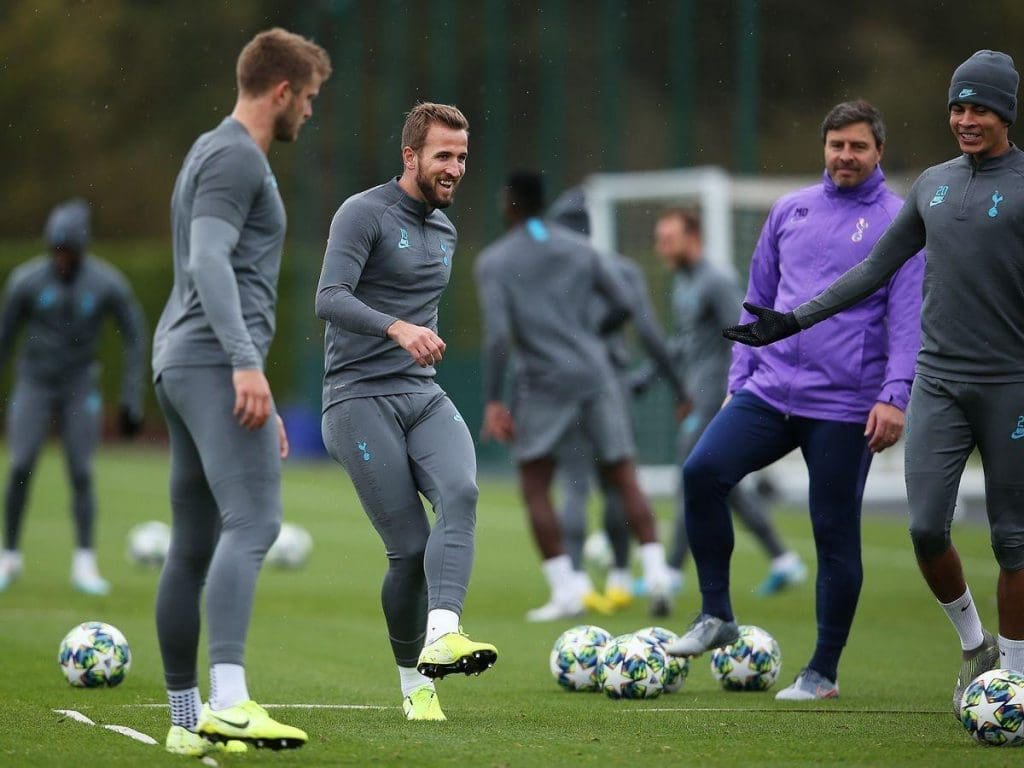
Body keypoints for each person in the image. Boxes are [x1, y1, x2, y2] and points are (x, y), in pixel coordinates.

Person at [724, 52, 1024, 714]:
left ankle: (1015, 676)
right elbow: (871, 272)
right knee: (925, 529)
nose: (966, 119)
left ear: (1005, 112)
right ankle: (976, 646)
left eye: (980, 108)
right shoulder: (934, 187)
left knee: (1011, 537)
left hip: (1011, 385)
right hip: (940, 384)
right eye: (958, 107)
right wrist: (789, 321)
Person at [668, 99, 925, 702]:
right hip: (768, 390)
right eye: (836, 145)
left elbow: (907, 319)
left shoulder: (899, 221)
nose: (845, 156)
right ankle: (715, 613)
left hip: (844, 403)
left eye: (858, 146)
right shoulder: (791, 209)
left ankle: (823, 672)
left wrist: (894, 395)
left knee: (833, 532)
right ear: (824, 148)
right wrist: (742, 374)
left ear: (878, 152)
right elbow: (756, 298)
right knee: (702, 472)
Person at [151, 28, 330, 756]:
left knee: (193, 542)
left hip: (182, 362)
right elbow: (208, 259)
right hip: (210, 363)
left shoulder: (206, 147)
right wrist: (245, 363)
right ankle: (228, 700)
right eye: (310, 99)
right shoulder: (235, 156)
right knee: (254, 523)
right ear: (281, 90)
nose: (310, 114)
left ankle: (186, 719)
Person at [316, 102, 497, 724]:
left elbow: (420, 305)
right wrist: (397, 328)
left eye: (463, 157)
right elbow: (329, 297)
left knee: (463, 493)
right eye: (444, 155)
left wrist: (416, 339)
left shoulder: (445, 230)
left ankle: (443, 632)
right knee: (409, 548)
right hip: (356, 398)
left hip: (421, 394)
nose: (455, 168)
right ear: (410, 156)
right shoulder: (361, 213)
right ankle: (413, 685)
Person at [476, 170, 674, 622]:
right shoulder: (581, 250)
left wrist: (493, 400)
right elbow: (625, 305)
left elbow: (499, 338)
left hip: (545, 382)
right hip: (597, 374)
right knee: (624, 476)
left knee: (535, 484)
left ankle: (568, 589)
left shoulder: (496, 261)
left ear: (509, 202)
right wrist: (585, 338)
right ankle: (658, 573)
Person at [645, 208, 806, 596]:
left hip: (717, 393)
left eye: (669, 238)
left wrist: (739, 389)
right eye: (659, 239)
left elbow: (744, 332)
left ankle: (669, 571)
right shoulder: (684, 283)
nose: (661, 247)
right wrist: (650, 377)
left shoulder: (716, 281)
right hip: (696, 392)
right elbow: (687, 342)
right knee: (722, 482)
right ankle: (784, 560)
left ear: (692, 237)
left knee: (690, 471)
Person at [546, 186, 689, 613]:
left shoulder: (549, 276)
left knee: (572, 483)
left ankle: (572, 584)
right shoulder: (620, 270)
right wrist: (680, 388)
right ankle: (624, 577)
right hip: (610, 385)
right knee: (618, 483)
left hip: (563, 388)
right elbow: (648, 333)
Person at [0, 199, 146, 596]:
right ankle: (9, 554)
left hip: (80, 383)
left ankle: (84, 561)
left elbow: (134, 336)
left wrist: (132, 395)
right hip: (35, 382)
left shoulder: (106, 284)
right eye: (56, 250)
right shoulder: (26, 282)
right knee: (21, 464)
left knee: (81, 470)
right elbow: (5, 339)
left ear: (81, 249)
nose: (62, 258)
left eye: (69, 250)